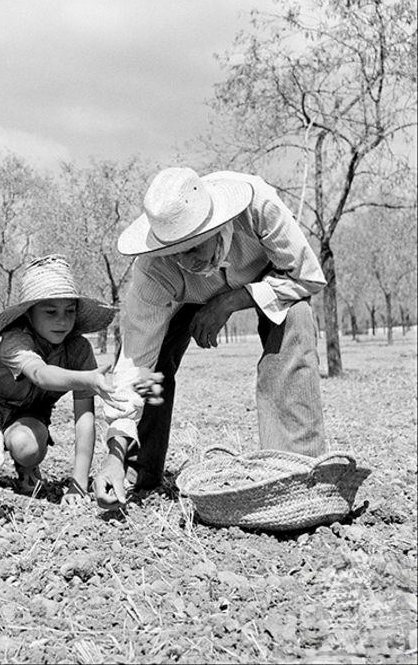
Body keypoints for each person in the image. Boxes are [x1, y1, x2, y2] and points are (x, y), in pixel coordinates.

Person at [94, 167, 328, 508]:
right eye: (173, 251)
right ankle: (133, 467)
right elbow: (134, 360)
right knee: (152, 366)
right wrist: (114, 451)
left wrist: (231, 301)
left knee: (297, 317)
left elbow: (307, 277)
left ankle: (295, 470)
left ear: (217, 225)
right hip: (183, 298)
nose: (183, 260)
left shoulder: (258, 206)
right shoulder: (153, 271)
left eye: (192, 248)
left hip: (263, 281)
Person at [0, 255, 117, 503]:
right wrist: (87, 379)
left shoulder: (79, 350)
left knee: (26, 447)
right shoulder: (15, 340)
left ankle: (25, 465)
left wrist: (79, 483)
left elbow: (84, 419)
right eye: (50, 311)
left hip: (27, 415)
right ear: (29, 315)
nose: (62, 320)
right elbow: (41, 374)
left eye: (69, 311)